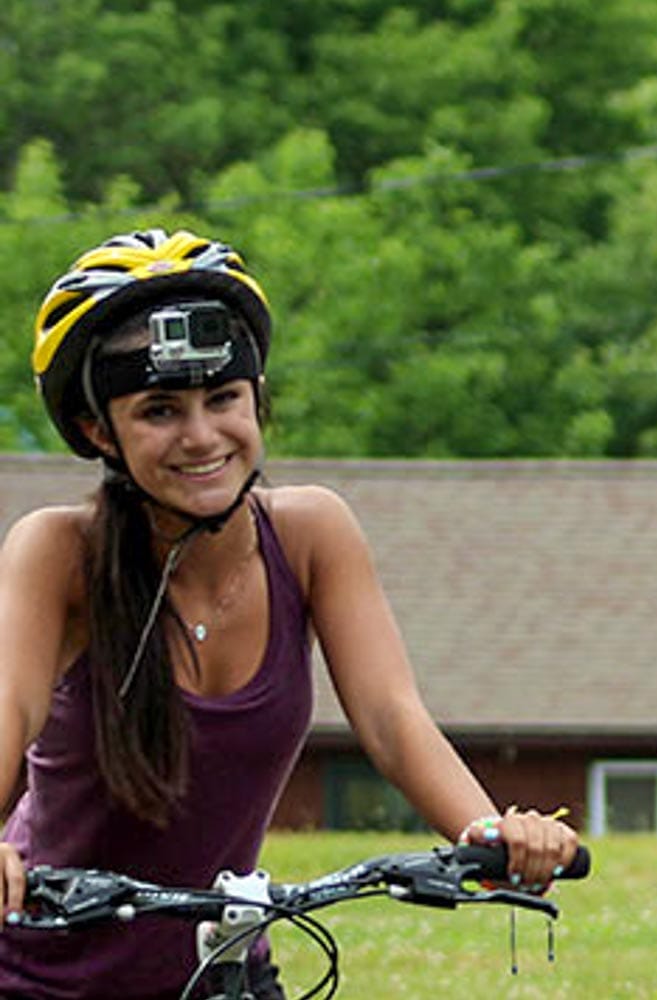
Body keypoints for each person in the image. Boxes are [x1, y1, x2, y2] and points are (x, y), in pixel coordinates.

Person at [0, 229, 580, 999]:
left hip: (224, 971)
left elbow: (391, 718)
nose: (202, 436)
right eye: (160, 410)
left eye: (224, 398)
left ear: (258, 398)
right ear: (97, 430)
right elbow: (9, 706)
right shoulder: (58, 552)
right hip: (35, 975)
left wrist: (491, 834)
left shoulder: (311, 535)